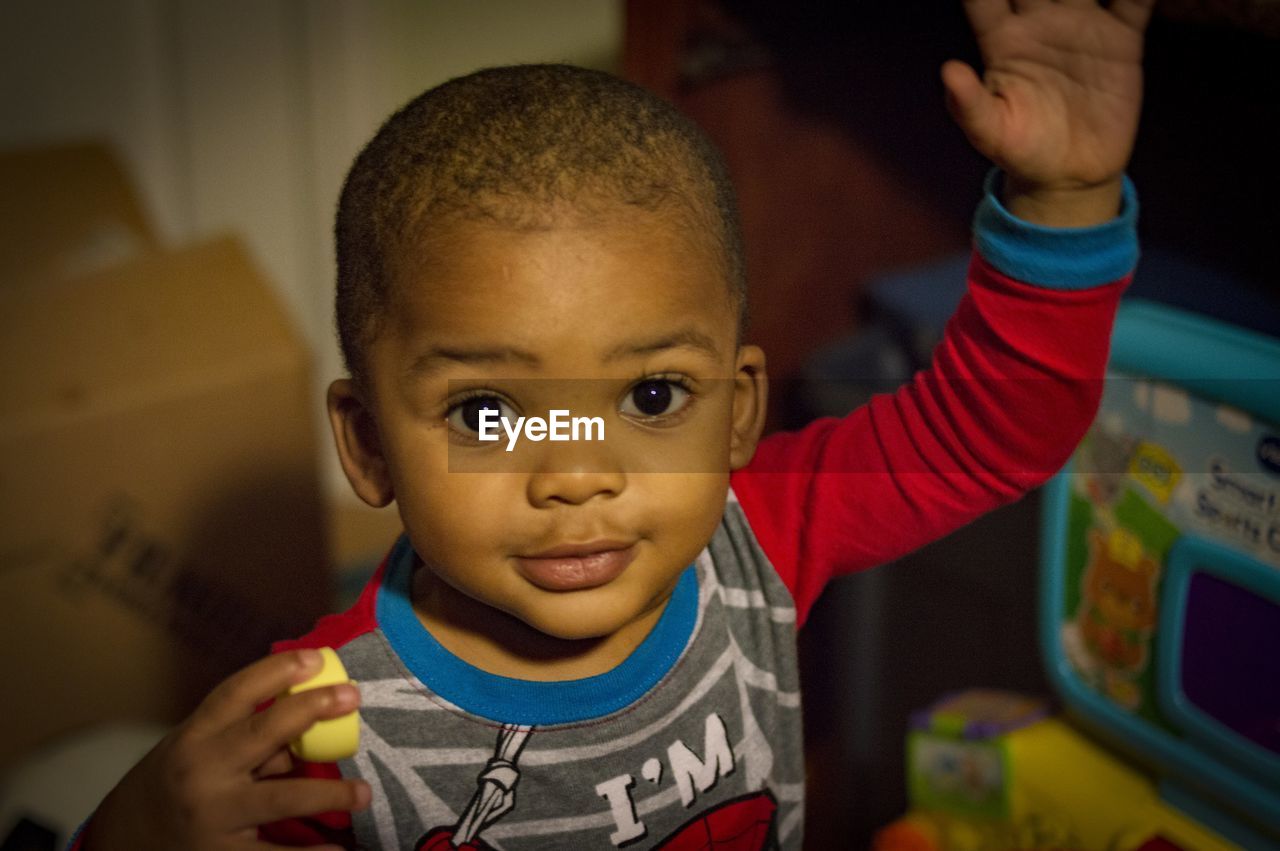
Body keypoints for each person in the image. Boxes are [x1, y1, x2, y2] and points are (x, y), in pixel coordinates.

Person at [74, 1, 1154, 848]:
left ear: (736, 410)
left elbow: (986, 431)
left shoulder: (759, 533)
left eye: (648, 397)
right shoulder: (314, 721)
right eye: (486, 410)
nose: (577, 475)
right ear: (366, 446)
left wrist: (1063, 196)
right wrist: (127, 832)